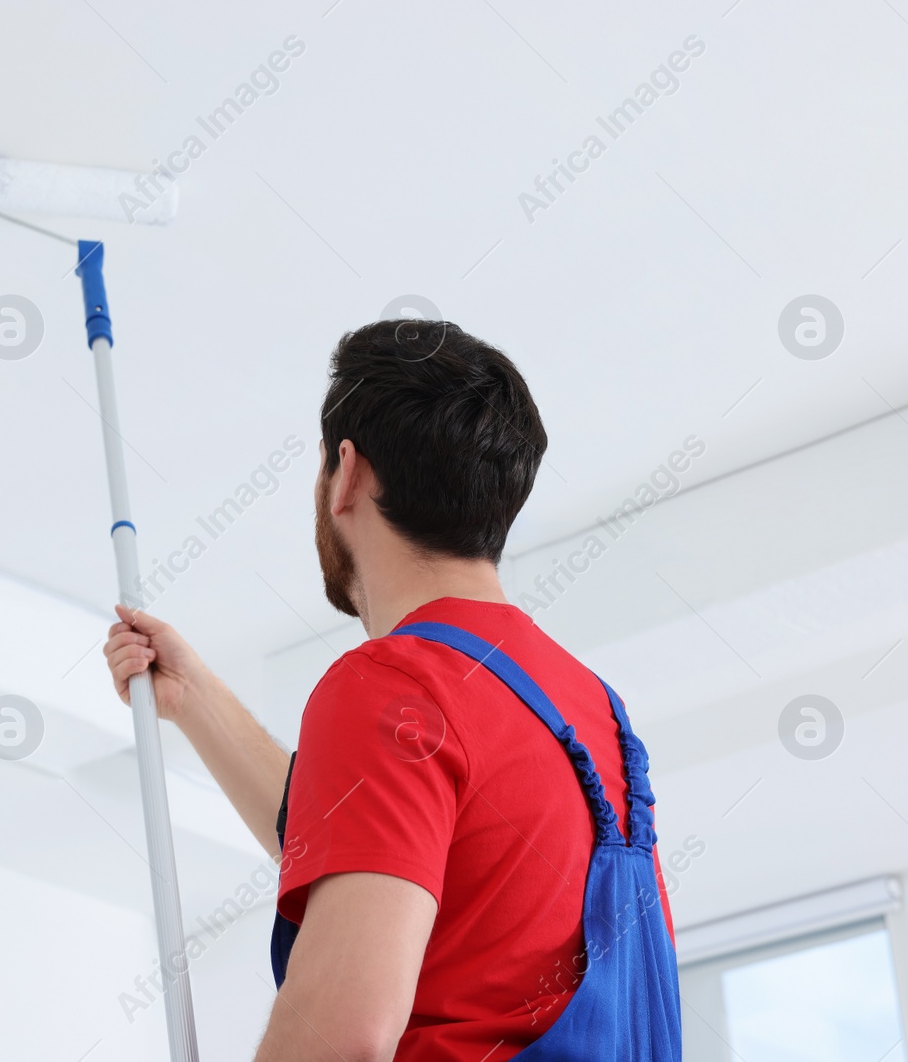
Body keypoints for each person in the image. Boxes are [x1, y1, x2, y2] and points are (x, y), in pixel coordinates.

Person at [104, 319, 681, 1061]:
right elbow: (371, 844)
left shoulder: (393, 683)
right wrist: (192, 697)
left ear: (347, 471)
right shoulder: (592, 706)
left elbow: (341, 1033)